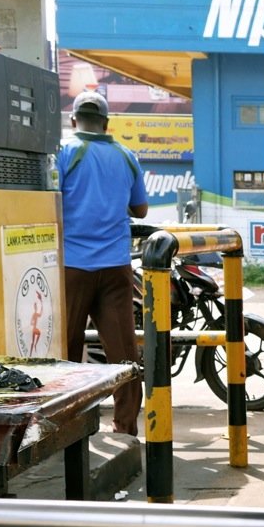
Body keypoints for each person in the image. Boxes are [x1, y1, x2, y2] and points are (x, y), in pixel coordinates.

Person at [58, 90, 150, 435]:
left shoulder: (64, 153)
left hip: (72, 268)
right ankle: (125, 426)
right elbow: (140, 210)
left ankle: (70, 425)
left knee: (67, 349)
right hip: (116, 267)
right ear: (107, 123)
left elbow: (49, 201)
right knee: (124, 351)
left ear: (73, 121)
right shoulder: (126, 156)